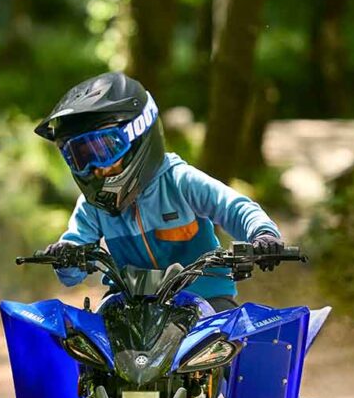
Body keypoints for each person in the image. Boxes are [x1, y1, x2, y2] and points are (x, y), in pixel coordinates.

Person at [35, 72, 285, 312]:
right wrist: (65, 255)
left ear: (138, 134)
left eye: (104, 150)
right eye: (80, 156)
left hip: (204, 298)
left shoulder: (180, 181)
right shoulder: (93, 206)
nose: (95, 167)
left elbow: (234, 208)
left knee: (227, 341)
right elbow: (72, 272)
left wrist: (263, 236)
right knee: (86, 345)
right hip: (128, 303)